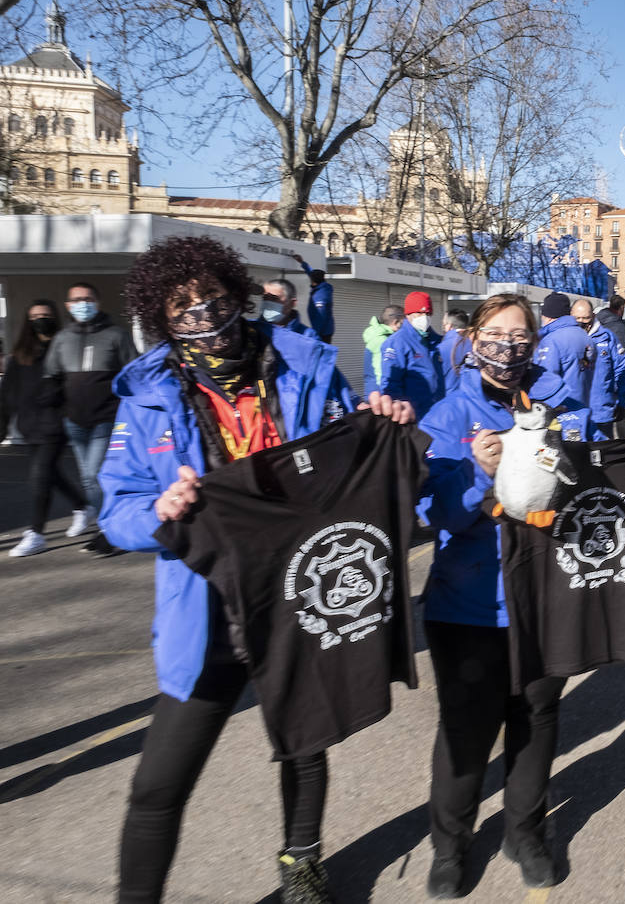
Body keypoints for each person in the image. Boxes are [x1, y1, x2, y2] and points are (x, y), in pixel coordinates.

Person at [99, 235, 414, 904]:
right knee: (158, 784)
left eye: (211, 297)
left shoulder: (305, 366)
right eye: (181, 307)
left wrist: (376, 422)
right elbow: (115, 510)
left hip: (298, 592)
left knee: (305, 741)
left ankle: (302, 861)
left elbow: (344, 444)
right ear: (161, 317)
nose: (202, 315)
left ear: (236, 293)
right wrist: (159, 510)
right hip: (205, 606)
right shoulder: (149, 394)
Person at [417, 291, 625, 896]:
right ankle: (451, 842)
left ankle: (524, 832)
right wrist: (474, 469)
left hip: (549, 596)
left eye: (520, 336)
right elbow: (434, 513)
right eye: (494, 334)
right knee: (466, 731)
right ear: (472, 341)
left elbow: (605, 475)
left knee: (536, 719)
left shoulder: (563, 408)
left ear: (536, 343)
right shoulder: (444, 417)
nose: (507, 346)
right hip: (469, 605)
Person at [43, 281, 139, 556]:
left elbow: (133, 372)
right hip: (74, 421)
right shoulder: (62, 339)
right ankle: (107, 526)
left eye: (87, 298)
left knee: (93, 475)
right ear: (67, 306)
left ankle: (110, 530)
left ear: (97, 302)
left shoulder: (115, 335)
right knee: (89, 480)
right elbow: (52, 374)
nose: (82, 304)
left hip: (106, 418)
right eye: (76, 300)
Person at [1, 299, 86, 557]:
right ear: (28, 321)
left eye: (46, 315)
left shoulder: (64, 348)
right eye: (35, 315)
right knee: (51, 474)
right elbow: (6, 396)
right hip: (30, 427)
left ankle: (36, 534)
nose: (41, 319)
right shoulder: (18, 357)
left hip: (56, 425)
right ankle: (82, 506)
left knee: (39, 476)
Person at [380, 291, 443, 420]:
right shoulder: (397, 342)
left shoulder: (436, 341)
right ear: (408, 315)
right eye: (419, 313)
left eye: (427, 313)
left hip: (438, 412)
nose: (424, 318)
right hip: (414, 415)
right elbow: (390, 382)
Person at [575, 299, 625, 440]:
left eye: (585, 318)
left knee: (603, 458)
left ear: (593, 316)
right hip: (573, 415)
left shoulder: (607, 338)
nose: (581, 322)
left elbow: (623, 369)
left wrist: (622, 403)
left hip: (601, 413)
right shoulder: (564, 339)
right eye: (577, 318)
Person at [532, 292, 591, 405]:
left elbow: (543, 381)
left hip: (560, 409)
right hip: (583, 407)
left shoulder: (550, 340)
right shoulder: (585, 336)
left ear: (547, 316)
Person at [595, 295, 625, 437]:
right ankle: (623, 448)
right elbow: (621, 357)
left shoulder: (597, 321)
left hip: (596, 378)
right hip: (612, 378)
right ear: (621, 308)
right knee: (620, 415)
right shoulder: (617, 326)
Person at [290, 252, 334, 343]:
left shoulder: (321, 294)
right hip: (323, 329)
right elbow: (310, 272)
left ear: (313, 280)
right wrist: (302, 262)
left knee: (320, 354)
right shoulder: (321, 286)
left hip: (323, 332)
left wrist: (315, 333)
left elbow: (321, 315)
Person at [363, 305, 404, 396]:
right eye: (403, 323)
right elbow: (382, 371)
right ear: (396, 322)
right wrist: (388, 394)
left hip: (373, 392)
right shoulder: (384, 341)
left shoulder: (376, 336)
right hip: (381, 395)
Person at [439, 308, 470, 394]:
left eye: (444, 324)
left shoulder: (441, 348)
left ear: (449, 326)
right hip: (472, 398)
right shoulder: (475, 343)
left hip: (448, 397)